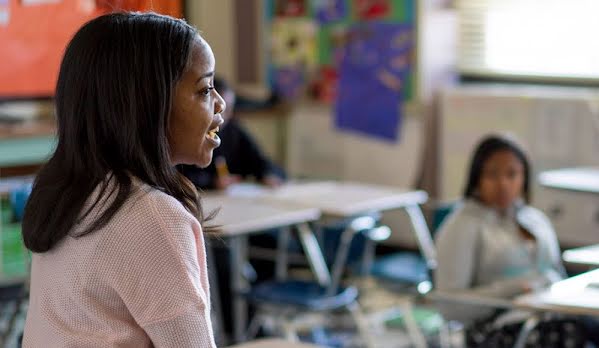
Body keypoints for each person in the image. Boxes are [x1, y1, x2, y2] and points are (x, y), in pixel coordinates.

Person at [21, 13, 225, 347]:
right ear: (148, 102)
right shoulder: (151, 216)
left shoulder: (66, 189)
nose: (220, 103)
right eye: (205, 89)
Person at [434, 135, 595, 347]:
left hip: (547, 314)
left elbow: (556, 274)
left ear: (524, 177)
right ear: (476, 177)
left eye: (512, 174)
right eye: (492, 175)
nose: (503, 184)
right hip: (496, 328)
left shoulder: (534, 220)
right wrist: (515, 289)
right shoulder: (463, 225)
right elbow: (451, 306)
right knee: (569, 331)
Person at [177, 77, 286, 191]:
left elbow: (264, 163)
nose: (223, 117)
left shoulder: (234, 131)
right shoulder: (188, 134)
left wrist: (268, 174)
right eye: (217, 109)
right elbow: (176, 176)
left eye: (229, 109)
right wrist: (212, 182)